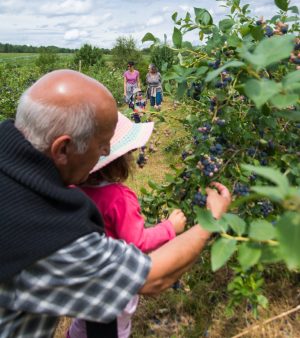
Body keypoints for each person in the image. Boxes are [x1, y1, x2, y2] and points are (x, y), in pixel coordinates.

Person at [0, 69, 231, 338]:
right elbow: (153, 277)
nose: (107, 153)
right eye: (102, 145)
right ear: (63, 149)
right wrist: (211, 219)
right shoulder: (48, 235)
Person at [68, 112, 187, 338]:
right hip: (112, 286)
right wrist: (170, 227)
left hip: (83, 279)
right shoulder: (118, 198)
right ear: (119, 161)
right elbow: (138, 241)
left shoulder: (73, 191)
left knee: (84, 324)